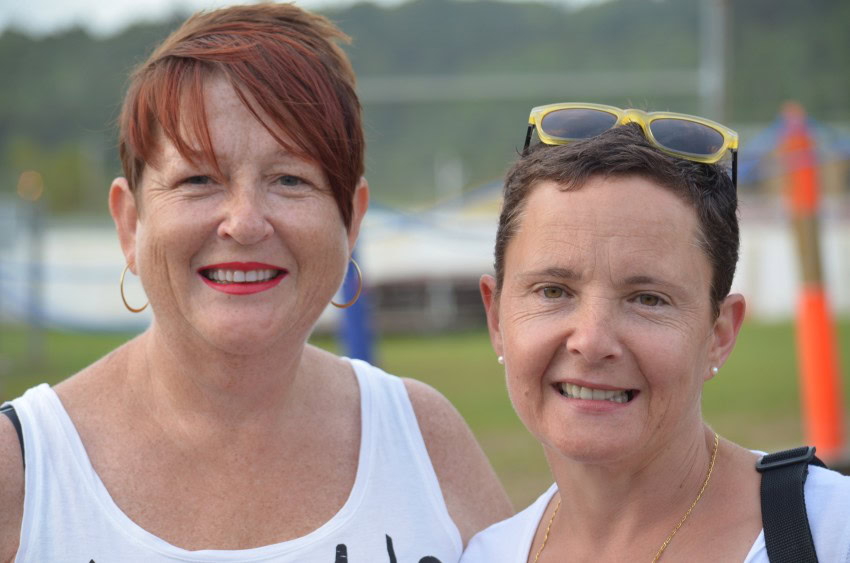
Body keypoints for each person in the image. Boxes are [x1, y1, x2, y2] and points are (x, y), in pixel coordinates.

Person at [0, 5, 512, 561]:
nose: (244, 223)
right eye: (198, 179)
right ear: (130, 222)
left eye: (290, 179)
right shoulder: (18, 472)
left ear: (351, 220)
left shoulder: (425, 442)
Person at [461, 103, 850, 562]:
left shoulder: (830, 530)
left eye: (648, 299)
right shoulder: (487, 554)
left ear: (719, 333)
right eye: (553, 291)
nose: (591, 341)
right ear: (496, 317)